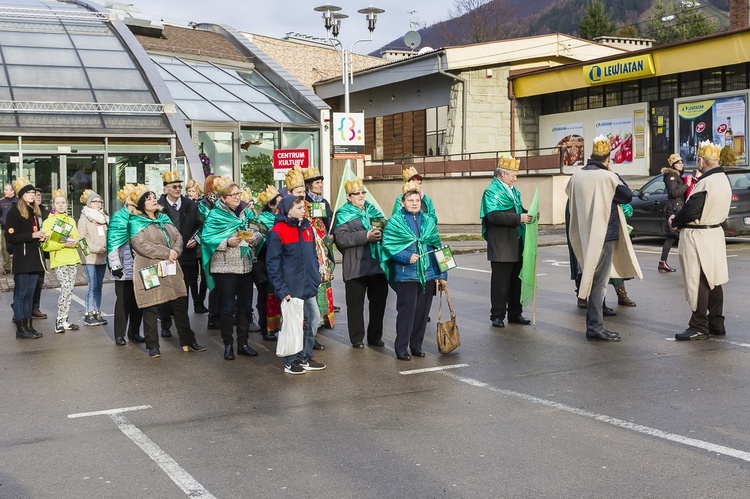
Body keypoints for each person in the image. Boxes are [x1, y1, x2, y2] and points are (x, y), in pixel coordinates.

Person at [566, 135, 642, 342]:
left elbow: (569, 195)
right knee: (599, 281)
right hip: (603, 234)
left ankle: (594, 323)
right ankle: (595, 327)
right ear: (607, 159)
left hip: (585, 232)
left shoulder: (577, 175)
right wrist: (612, 174)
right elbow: (626, 196)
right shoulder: (607, 177)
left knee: (592, 277)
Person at [128, 184, 206, 357]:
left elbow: (178, 236)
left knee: (179, 302)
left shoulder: (163, 217)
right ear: (140, 204)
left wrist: (175, 251)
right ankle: (153, 345)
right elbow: (141, 245)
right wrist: (167, 252)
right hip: (149, 268)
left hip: (170, 266)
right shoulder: (136, 221)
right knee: (151, 305)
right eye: (148, 199)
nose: (153, 200)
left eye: (154, 197)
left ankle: (187, 340)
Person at [669, 140, 732, 341]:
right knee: (714, 279)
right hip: (714, 233)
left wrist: (675, 220)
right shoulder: (723, 179)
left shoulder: (706, 182)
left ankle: (698, 325)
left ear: (701, 161)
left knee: (699, 280)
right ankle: (716, 323)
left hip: (699, 234)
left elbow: (692, 210)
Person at [381, 181, 447, 360]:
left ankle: (416, 345)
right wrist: (406, 257)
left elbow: (438, 247)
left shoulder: (429, 221)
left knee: (422, 313)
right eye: (410, 200)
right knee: (406, 312)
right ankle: (401, 347)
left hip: (429, 273)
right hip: (406, 273)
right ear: (402, 202)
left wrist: (443, 274)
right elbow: (387, 245)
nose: (414, 203)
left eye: (417, 200)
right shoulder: (395, 221)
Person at [201, 178, 263, 360]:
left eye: (238, 194)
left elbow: (259, 230)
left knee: (245, 307)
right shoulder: (215, 215)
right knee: (227, 307)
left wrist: (255, 239)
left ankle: (243, 343)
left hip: (246, 264)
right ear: (223, 197)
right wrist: (226, 242)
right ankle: (228, 344)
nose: (237, 197)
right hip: (224, 266)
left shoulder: (247, 212)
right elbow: (207, 238)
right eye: (233, 195)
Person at [266, 194, 325, 374]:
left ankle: (304, 357)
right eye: (299, 207)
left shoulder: (307, 228)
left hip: (308, 285)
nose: (303, 210)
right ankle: (291, 360)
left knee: (313, 319)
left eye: (303, 207)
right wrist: (281, 289)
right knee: (293, 324)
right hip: (291, 287)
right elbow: (272, 264)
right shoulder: (278, 231)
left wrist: (315, 278)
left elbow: (313, 255)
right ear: (288, 209)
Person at [332, 178, 389, 349]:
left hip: (376, 264)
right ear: (348, 197)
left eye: (362, 192)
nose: (361, 195)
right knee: (355, 305)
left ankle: (375, 336)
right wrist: (366, 236)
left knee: (379, 303)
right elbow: (341, 239)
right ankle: (357, 338)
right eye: (356, 193)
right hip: (356, 265)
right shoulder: (343, 213)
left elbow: (386, 229)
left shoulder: (373, 210)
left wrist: (382, 233)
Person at [480, 156, 533, 328]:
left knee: (516, 280)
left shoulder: (513, 190)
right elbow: (493, 216)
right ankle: (497, 315)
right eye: (513, 175)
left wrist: (530, 213)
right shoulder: (491, 191)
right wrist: (519, 217)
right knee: (500, 283)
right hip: (501, 244)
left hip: (516, 241)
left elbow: (517, 210)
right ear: (503, 174)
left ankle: (515, 313)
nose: (515, 178)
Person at [157, 171, 204, 334]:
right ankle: (165, 326)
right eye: (174, 186)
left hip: (187, 256)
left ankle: (183, 328)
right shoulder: (158, 206)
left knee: (183, 292)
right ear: (166, 189)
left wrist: (195, 240)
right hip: (166, 256)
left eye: (179, 186)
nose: (178, 189)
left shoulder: (191, 205)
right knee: (166, 291)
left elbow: (201, 225)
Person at [5, 178, 47, 339]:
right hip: (22, 259)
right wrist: (32, 235)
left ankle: (29, 325)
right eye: (28, 192)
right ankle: (21, 327)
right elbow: (11, 237)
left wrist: (41, 236)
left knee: (30, 293)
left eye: (33, 192)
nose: (32, 195)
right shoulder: (14, 212)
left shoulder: (34, 212)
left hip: (35, 257)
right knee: (21, 294)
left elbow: (36, 232)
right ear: (22, 195)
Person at [107, 183, 144, 346]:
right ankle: (119, 334)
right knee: (122, 301)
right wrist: (115, 265)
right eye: (131, 196)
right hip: (123, 266)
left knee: (138, 301)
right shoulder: (118, 217)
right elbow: (112, 243)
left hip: (141, 265)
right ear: (125, 199)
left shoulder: (141, 216)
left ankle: (134, 332)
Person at [42, 189, 82, 334]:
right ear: (53, 205)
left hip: (72, 258)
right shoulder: (48, 222)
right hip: (59, 259)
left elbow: (77, 237)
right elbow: (45, 244)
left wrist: (75, 241)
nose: (60, 205)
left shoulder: (71, 220)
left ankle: (65, 319)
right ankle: (59, 320)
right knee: (65, 288)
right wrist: (62, 244)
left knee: (70, 290)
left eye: (63, 203)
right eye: (57, 203)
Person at [303, 165, 335, 338]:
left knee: (323, 282)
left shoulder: (323, 201)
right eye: (317, 182)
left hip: (323, 245)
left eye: (321, 181)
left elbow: (329, 220)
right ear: (308, 186)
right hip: (311, 246)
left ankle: (322, 317)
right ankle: (312, 320)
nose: (320, 184)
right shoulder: (304, 202)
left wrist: (331, 236)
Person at [254, 184, 283, 342]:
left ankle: (275, 326)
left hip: (278, 263)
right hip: (264, 263)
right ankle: (266, 327)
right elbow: (262, 244)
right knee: (266, 296)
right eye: (278, 202)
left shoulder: (281, 218)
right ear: (271, 205)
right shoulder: (262, 221)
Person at [78, 189, 109, 326]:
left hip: (102, 257)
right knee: (92, 285)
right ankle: (89, 313)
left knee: (99, 286)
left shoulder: (104, 218)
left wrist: (107, 247)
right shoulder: (84, 219)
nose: (98, 204)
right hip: (90, 257)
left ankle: (97, 311)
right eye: (95, 201)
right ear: (89, 203)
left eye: (99, 201)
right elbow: (82, 240)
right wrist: (97, 249)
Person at [659, 154, 689, 272]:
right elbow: (673, 193)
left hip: (679, 207)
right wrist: (687, 185)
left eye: (681, 161)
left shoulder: (678, 176)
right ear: (673, 165)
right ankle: (663, 262)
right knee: (672, 235)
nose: (681, 163)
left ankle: (663, 262)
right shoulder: (671, 176)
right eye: (678, 162)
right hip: (674, 208)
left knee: (677, 236)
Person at [199, 175, 221, 329]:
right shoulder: (203, 204)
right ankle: (213, 316)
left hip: (226, 247)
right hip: (210, 246)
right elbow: (206, 223)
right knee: (213, 282)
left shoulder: (223, 201)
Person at [31, 190, 49, 319]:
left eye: (39, 195)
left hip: (41, 250)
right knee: (27, 283)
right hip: (30, 250)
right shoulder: (27, 210)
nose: (38, 197)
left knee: (39, 280)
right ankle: (20, 309)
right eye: (35, 195)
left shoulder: (45, 211)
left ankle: (35, 308)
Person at [1, 182, 18, 273]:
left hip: (16, 228)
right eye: (4, 189)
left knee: (15, 246)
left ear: (13, 191)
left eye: (7, 190)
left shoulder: (18, 201)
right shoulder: (1, 201)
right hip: (5, 228)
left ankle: (17, 264)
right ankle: (7, 267)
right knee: (4, 248)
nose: (4, 191)